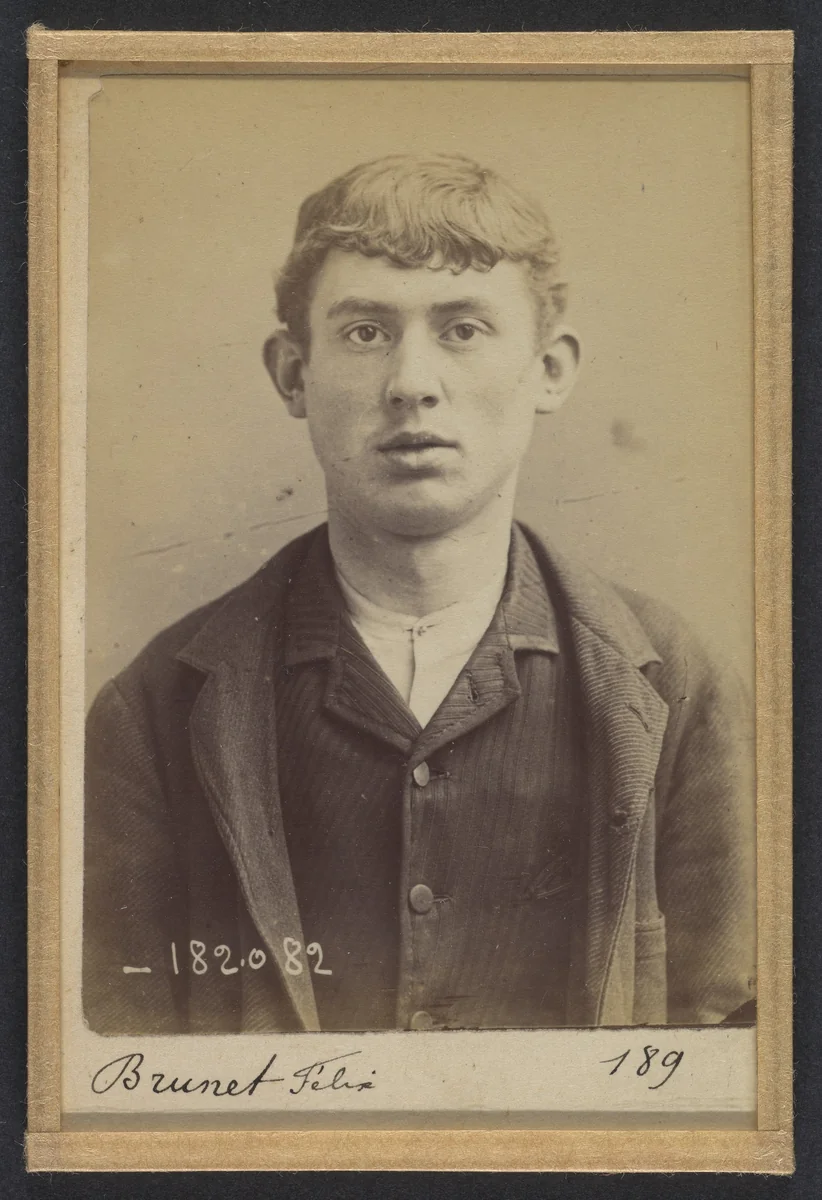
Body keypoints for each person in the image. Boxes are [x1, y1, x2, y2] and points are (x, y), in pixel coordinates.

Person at [83, 154, 755, 1035]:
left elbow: (740, 1063)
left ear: (550, 370)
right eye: (365, 332)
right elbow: (109, 1077)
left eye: (464, 329)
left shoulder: (677, 690)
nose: (412, 382)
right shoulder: (153, 711)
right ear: (293, 374)